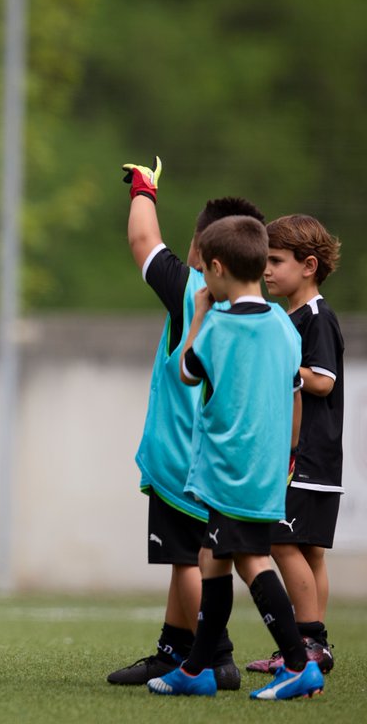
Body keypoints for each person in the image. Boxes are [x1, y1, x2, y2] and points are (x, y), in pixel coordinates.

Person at [150, 215, 324, 701]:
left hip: (228, 469)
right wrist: (288, 456)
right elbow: (296, 398)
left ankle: (297, 663)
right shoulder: (285, 328)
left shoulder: (220, 328)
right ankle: (199, 667)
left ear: (219, 269)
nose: (201, 280)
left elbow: (185, 372)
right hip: (267, 468)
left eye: (204, 271)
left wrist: (200, 315)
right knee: (213, 556)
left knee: (249, 560)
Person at [107, 159, 258, 689]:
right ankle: (174, 650)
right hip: (228, 456)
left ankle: (213, 653)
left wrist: (143, 187)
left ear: (205, 251)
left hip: (185, 459)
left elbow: (143, 239)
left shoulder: (193, 289)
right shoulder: (263, 316)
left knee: (193, 560)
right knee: (188, 558)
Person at [245, 214, 343, 675]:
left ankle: (307, 644)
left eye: (275, 261)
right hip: (314, 458)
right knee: (309, 551)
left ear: (308, 265)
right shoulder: (291, 318)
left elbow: (322, 382)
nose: (266, 270)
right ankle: (314, 646)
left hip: (306, 457)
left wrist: (281, 367)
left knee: (282, 543)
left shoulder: (316, 318)